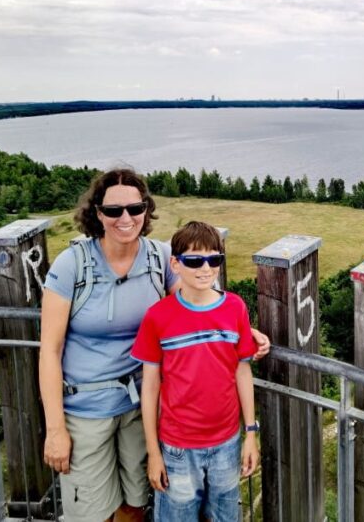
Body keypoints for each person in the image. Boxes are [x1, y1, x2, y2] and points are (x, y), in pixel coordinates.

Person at [39, 168, 269, 522]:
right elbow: (49, 351)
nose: (125, 218)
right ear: (97, 213)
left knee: (135, 502)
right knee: (90, 513)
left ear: (146, 210)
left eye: (135, 207)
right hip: (85, 407)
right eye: (114, 210)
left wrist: (243, 330)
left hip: (138, 403)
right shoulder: (73, 265)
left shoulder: (158, 256)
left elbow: (198, 301)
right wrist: (55, 429)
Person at [130, 221, 259, 522]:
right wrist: (154, 452)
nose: (206, 268)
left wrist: (250, 433)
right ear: (175, 263)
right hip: (177, 447)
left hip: (227, 441)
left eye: (214, 259)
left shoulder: (235, 308)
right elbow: (150, 387)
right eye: (194, 260)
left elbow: (242, 373)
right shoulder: (158, 317)